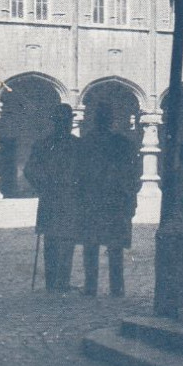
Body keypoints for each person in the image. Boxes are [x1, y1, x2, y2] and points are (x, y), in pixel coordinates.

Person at [78, 101, 141, 297]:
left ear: (95, 120)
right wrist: (130, 197)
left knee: (91, 246)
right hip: (115, 201)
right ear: (111, 120)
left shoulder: (85, 143)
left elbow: (78, 176)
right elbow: (134, 173)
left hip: (93, 201)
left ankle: (90, 287)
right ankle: (117, 287)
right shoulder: (123, 143)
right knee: (115, 248)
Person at [24, 103, 81, 292]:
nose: (64, 124)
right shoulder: (48, 145)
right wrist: (43, 184)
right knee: (60, 240)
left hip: (59, 198)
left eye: (65, 121)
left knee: (58, 240)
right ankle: (57, 283)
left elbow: (30, 171)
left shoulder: (74, 145)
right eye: (62, 121)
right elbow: (30, 170)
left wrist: (43, 186)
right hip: (61, 197)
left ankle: (55, 282)